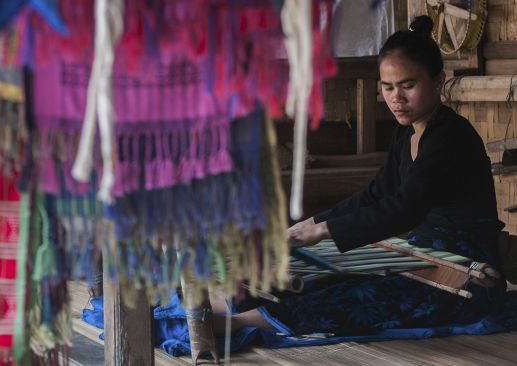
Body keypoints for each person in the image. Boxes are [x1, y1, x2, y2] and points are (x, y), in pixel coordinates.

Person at [211, 15, 506, 336]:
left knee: (362, 297)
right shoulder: (405, 135)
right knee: (322, 276)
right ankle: (232, 307)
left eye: (408, 85)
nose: (397, 98)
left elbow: (405, 207)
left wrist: (324, 230)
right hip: (419, 255)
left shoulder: (451, 137)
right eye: (388, 87)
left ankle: (236, 323)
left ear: (438, 81)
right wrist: (308, 226)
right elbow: (376, 195)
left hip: (462, 271)